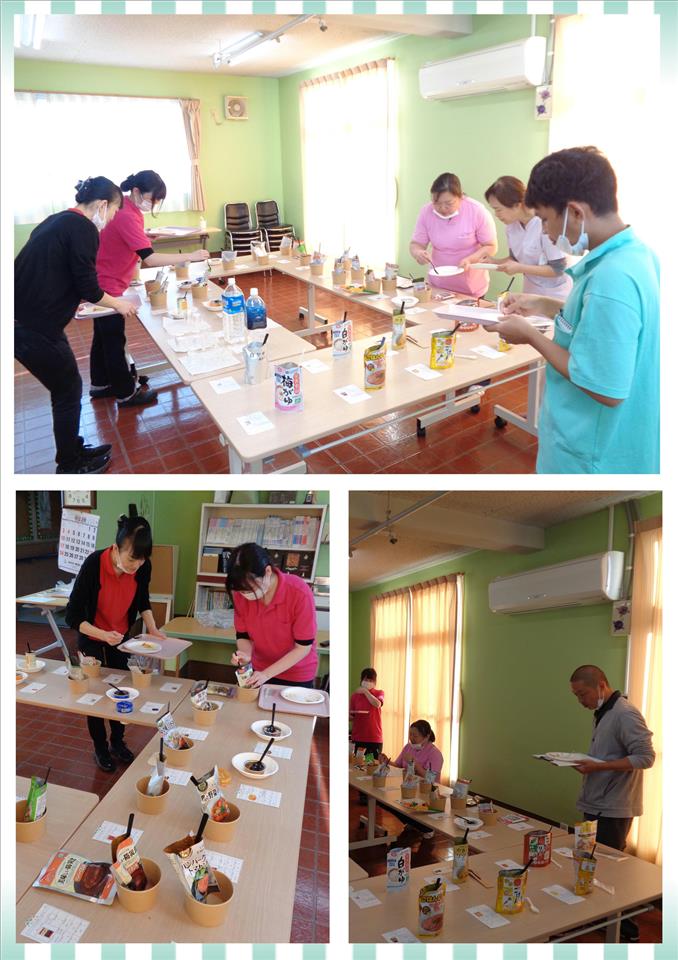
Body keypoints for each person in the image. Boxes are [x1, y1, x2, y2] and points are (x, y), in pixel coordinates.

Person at [488, 147, 659, 474]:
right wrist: (542, 304)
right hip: (618, 438)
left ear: (575, 212)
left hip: (590, 454)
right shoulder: (638, 256)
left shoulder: (612, 278)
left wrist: (530, 336)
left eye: (545, 220)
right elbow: (599, 325)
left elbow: (603, 386)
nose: (546, 232)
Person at [14, 177, 139, 474]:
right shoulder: (83, 228)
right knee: (68, 390)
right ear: (103, 205)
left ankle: (73, 449)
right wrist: (119, 304)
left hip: (26, 319)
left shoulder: (58, 220)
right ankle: (69, 464)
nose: (110, 220)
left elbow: (53, 269)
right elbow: (89, 286)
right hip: (33, 327)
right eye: (113, 212)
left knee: (66, 387)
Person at [92, 170, 210, 407]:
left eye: (156, 201)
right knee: (113, 339)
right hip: (109, 281)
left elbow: (127, 239)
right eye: (151, 199)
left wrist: (144, 237)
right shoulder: (126, 214)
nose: (152, 204)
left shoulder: (126, 207)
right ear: (136, 191)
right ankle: (126, 393)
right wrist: (192, 255)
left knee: (103, 336)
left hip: (106, 277)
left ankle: (101, 384)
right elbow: (151, 259)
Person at [64, 510, 166, 772]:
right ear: (116, 548)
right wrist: (101, 634)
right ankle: (100, 748)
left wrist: (153, 628)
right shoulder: (94, 564)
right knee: (95, 693)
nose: (136, 565)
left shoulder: (142, 566)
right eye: (132, 559)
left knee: (123, 691)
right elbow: (72, 616)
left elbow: (142, 599)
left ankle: (117, 742)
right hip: (92, 637)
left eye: (142, 560)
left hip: (121, 638)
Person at [569, 664, 655, 942]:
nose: (580, 701)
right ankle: (599, 916)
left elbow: (646, 757)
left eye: (582, 694)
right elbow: (608, 755)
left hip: (614, 806)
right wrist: (589, 763)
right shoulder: (604, 712)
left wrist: (598, 767)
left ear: (601, 686)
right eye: (576, 696)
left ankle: (625, 929)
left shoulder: (624, 713)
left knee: (610, 867)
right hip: (596, 801)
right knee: (592, 860)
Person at [227, 543, 318, 688]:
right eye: (241, 591)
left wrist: (267, 674)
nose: (245, 595)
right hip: (259, 669)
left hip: (296, 673)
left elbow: (303, 647)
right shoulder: (240, 595)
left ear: (268, 571)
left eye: (249, 589)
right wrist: (245, 655)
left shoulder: (299, 592)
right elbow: (243, 636)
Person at [483, 175, 572, 300]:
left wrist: (520, 268)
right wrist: (494, 262)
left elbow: (558, 269)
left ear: (517, 205)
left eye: (498, 210)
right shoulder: (511, 227)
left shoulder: (545, 224)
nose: (496, 215)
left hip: (556, 294)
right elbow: (515, 259)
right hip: (531, 289)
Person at [410, 172, 497, 298]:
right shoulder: (426, 212)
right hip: (438, 286)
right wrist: (418, 253)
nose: (442, 208)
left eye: (448, 203)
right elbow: (416, 244)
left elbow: (491, 246)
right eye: (436, 203)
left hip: (470, 288)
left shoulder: (476, 211)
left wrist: (470, 259)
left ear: (460, 197)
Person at [379, 720, 444, 843]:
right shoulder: (408, 747)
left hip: (425, 792)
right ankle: (412, 821)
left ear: (427, 736)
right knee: (383, 800)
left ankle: (426, 827)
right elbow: (398, 765)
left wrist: (415, 764)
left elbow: (431, 779)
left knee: (396, 802)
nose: (411, 738)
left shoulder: (435, 753)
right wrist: (386, 761)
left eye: (415, 735)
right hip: (408, 788)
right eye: (410, 734)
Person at [350, 668, 384, 758]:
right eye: (366, 679)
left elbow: (377, 704)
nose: (368, 682)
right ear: (361, 680)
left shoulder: (379, 693)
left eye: (370, 680)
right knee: (357, 763)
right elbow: (352, 716)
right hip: (358, 737)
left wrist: (365, 692)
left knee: (370, 763)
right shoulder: (355, 696)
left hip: (373, 738)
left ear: (375, 682)